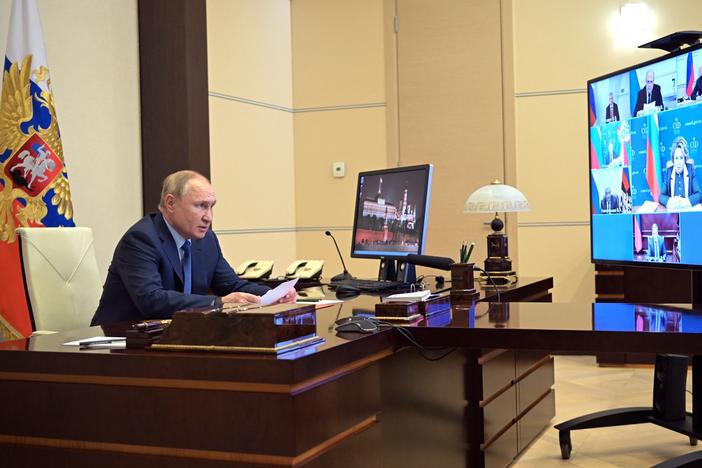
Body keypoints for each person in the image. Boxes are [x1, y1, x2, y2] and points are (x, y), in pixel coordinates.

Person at [91, 170, 296, 326]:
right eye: (200, 206)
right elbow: (151, 300)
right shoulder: (142, 239)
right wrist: (219, 303)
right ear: (171, 203)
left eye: (211, 206)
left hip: (177, 338)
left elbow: (232, 286)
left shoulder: (206, 240)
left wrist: (274, 294)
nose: (209, 217)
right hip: (120, 342)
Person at [659, 136, 702, 210]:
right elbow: (661, 196)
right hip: (673, 213)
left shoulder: (690, 170)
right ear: (673, 160)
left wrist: (685, 202)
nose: (678, 162)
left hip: (686, 211)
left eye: (681, 158)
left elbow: (699, 194)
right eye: (676, 158)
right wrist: (670, 202)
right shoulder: (669, 172)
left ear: (685, 159)